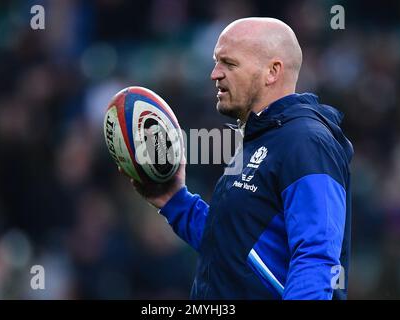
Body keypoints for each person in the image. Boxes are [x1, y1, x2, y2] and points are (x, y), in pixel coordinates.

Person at [124, 17, 354, 300]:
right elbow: (232, 246)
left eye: (229, 64)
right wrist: (175, 201)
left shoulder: (306, 142)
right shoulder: (261, 139)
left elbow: (316, 257)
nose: (214, 74)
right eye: (216, 62)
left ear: (272, 71)